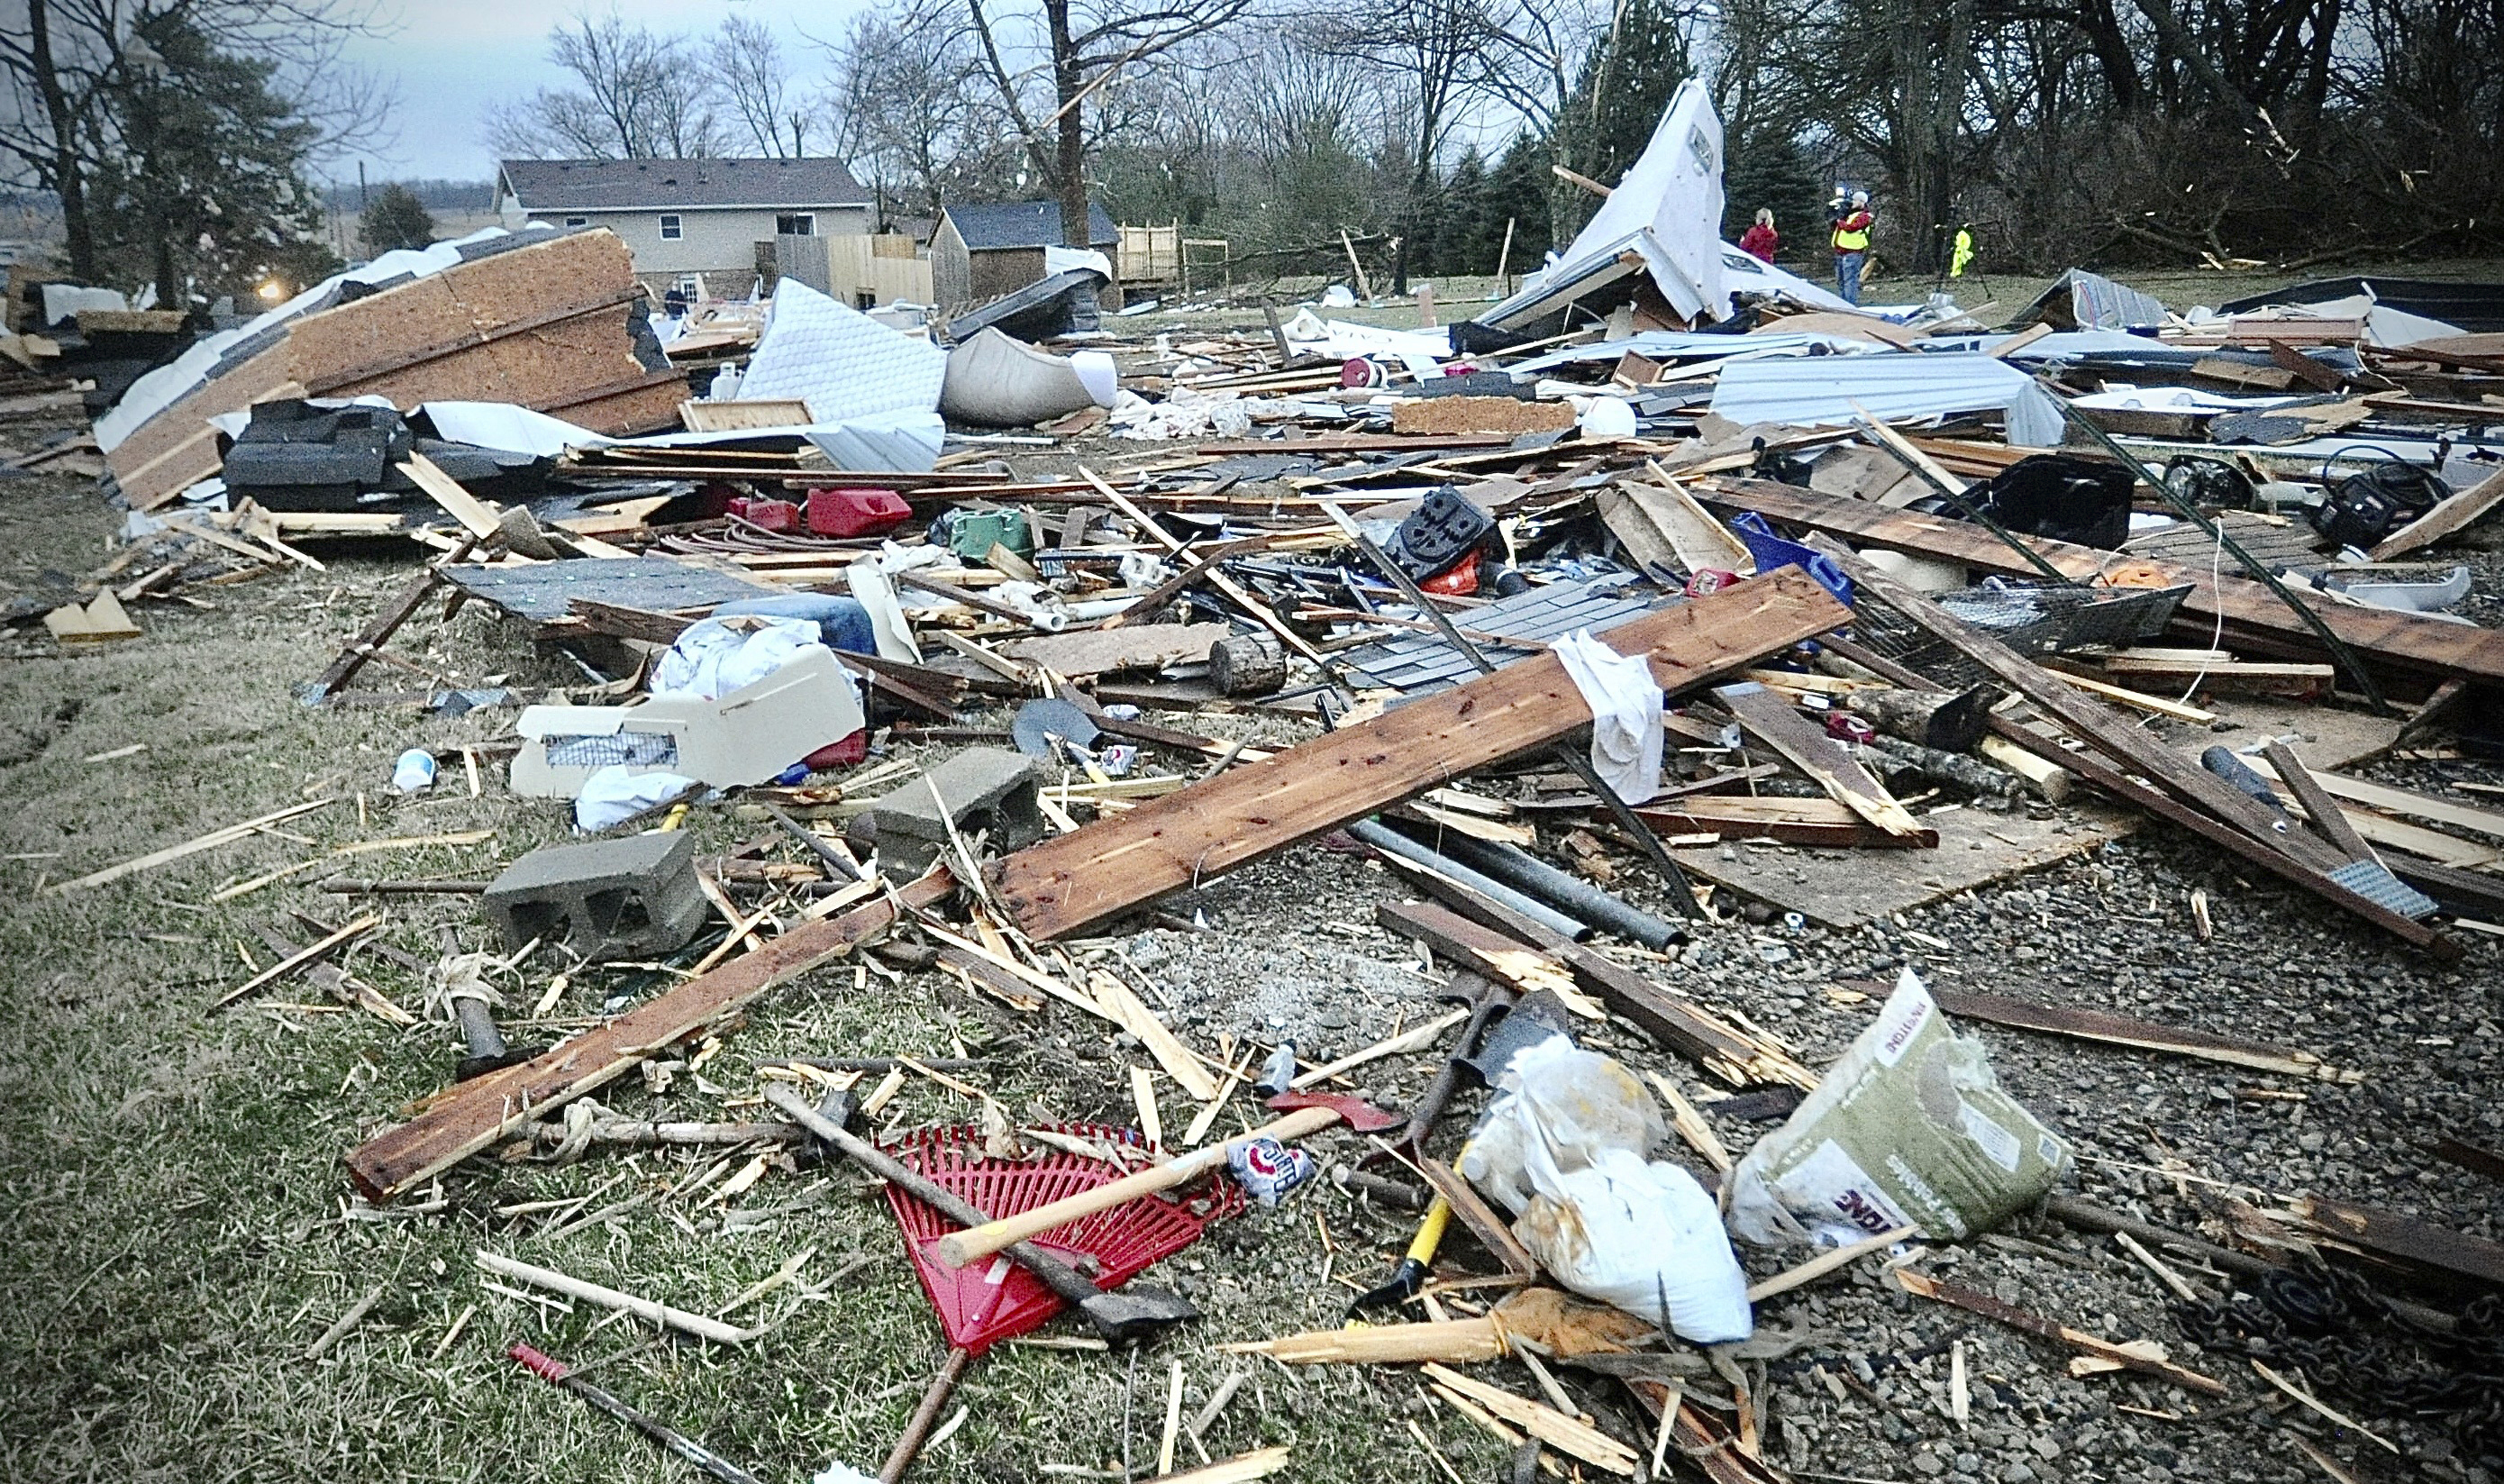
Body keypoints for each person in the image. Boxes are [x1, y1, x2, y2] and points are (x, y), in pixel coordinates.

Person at [1829, 189, 1873, 305]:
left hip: (1853, 252)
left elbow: (1850, 228)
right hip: (1841, 252)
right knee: (1841, 280)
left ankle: (1849, 304)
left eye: (1855, 200)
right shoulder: (1850, 215)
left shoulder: (1864, 216)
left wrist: (1840, 220)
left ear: (1861, 202)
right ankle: (1843, 303)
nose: (1852, 202)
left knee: (1850, 281)